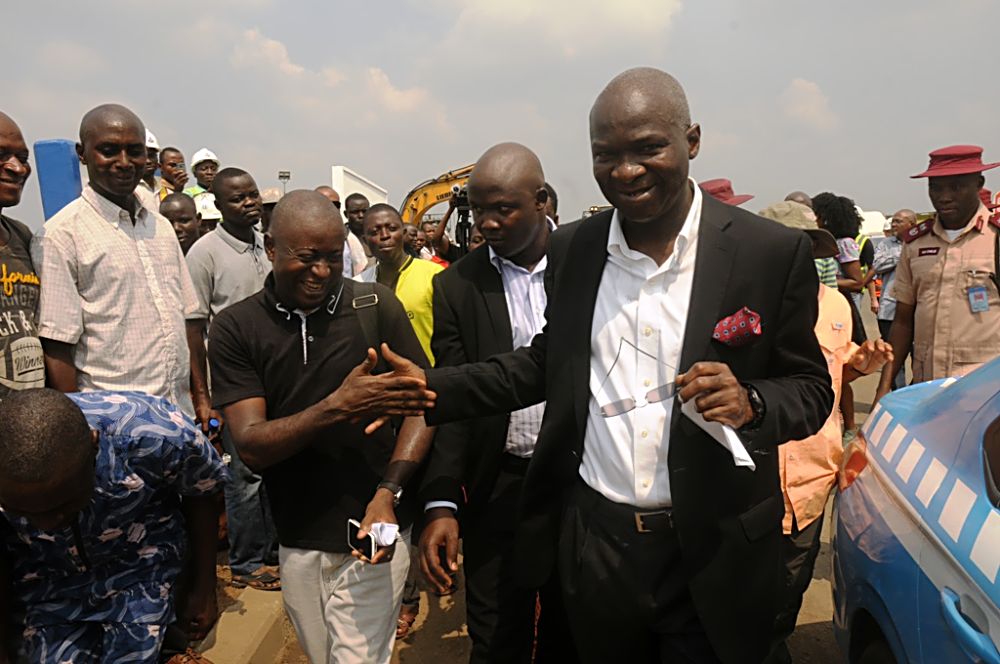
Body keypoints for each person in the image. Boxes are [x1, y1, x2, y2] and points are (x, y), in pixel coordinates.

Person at [385, 67, 833, 664]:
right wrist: (430, 388)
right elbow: (545, 365)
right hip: (597, 549)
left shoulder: (769, 253)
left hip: (713, 547)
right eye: (606, 154)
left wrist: (752, 401)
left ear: (691, 141)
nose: (626, 170)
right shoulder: (575, 248)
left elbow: (809, 389)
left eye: (648, 148)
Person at [207, 190, 436, 664]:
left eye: (333, 257)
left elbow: (422, 405)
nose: (323, 272)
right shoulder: (236, 328)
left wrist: (388, 492)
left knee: (359, 658)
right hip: (297, 534)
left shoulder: (375, 306)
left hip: (376, 523)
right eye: (307, 258)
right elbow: (251, 445)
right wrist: (337, 406)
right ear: (271, 248)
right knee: (322, 654)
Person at [418, 143, 573, 663]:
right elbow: (455, 401)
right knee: (495, 635)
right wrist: (442, 502)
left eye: (502, 208)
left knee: (570, 632)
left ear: (543, 201)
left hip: (579, 481)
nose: (486, 223)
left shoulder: (588, 266)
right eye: (477, 210)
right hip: (496, 487)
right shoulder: (456, 287)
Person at [0, 388, 228, 663]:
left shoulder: (154, 432)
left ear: (94, 446)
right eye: (22, 511)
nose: (47, 524)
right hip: (46, 581)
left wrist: (203, 589)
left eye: (62, 506)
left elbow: (202, 492)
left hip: (140, 567)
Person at [757, 201, 892, 664]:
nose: (801, 257)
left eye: (809, 247)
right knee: (742, 592)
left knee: (791, 588)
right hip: (753, 481)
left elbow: (839, 369)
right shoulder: (739, 305)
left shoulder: (834, 303)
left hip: (813, 477)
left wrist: (863, 360)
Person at [31, 104, 211, 426]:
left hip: (180, 417)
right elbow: (58, 347)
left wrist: (201, 399)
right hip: (114, 428)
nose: (124, 163)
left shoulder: (162, 228)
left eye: (135, 151)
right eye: (109, 151)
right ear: (83, 154)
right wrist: (79, 428)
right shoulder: (62, 235)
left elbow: (189, 321)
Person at [185, 168, 277, 590]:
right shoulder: (204, 253)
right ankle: (245, 562)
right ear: (219, 206)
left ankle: (274, 552)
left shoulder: (265, 244)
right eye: (238, 198)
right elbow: (193, 325)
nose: (249, 203)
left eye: (253, 195)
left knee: (274, 465)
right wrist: (203, 394)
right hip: (233, 381)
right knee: (244, 475)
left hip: (273, 375)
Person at [875, 145, 1000, 402]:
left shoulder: (996, 239)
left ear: (979, 183)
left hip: (985, 396)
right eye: (936, 188)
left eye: (956, 187)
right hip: (927, 390)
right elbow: (902, 321)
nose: (944, 197)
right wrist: (883, 389)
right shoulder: (916, 244)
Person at [356, 204, 444, 364]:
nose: (384, 236)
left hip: (428, 379)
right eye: (374, 232)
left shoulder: (435, 276)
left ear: (403, 233)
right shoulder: (359, 285)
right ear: (365, 241)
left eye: (391, 228)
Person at [812, 192, 867, 441]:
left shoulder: (843, 243)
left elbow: (857, 281)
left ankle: (849, 425)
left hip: (838, 306)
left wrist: (829, 282)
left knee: (840, 370)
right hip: (824, 301)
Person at [0, 112, 43, 399]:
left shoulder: (22, 236)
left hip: (25, 424)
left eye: (23, 158)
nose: (18, 168)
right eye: (2, 155)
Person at [865, 209, 915, 390]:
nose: (894, 225)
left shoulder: (920, 242)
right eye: (893, 221)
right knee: (893, 357)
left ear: (912, 224)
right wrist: (904, 254)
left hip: (917, 311)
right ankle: (899, 394)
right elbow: (877, 265)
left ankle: (913, 393)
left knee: (919, 358)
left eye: (899, 221)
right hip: (889, 310)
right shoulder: (886, 244)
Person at [317, 186, 368, 276]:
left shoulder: (349, 239)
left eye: (335, 205)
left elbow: (361, 270)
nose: (330, 208)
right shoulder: (299, 236)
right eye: (324, 203)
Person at [138, 129, 159, 198]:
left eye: (151, 156)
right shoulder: (129, 191)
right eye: (143, 156)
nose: (148, 161)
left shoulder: (165, 190)